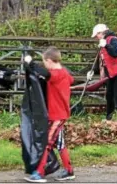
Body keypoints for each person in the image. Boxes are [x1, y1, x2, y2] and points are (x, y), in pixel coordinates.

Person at [24, 46, 75, 183]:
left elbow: (44, 72)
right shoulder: (63, 72)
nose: (45, 65)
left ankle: (39, 173)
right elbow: (71, 79)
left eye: (45, 62)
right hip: (60, 114)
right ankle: (69, 171)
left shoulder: (57, 74)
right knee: (60, 144)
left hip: (57, 115)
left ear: (49, 60)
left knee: (46, 142)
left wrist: (30, 62)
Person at [90, 24, 117, 121]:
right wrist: (92, 71)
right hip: (113, 74)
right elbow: (103, 60)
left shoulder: (113, 39)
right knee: (109, 95)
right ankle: (109, 118)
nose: (96, 38)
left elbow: (116, 53)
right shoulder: (103, 43)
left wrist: (106, 45)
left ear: (101, 33)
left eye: (97, 35)